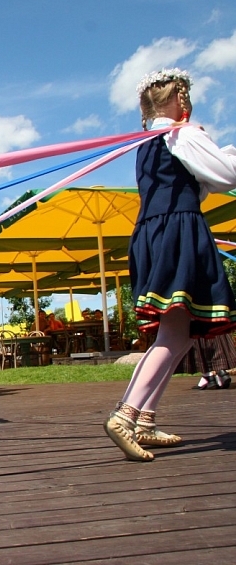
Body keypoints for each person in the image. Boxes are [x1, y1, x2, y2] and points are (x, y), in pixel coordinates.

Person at [104, 68, 236, 462]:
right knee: (173, 334)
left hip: (152, 231)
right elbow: (226, 176)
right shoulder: (183, 134)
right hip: (179, 229)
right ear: (179, 99)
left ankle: (144, 418)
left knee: (177, 335)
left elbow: (204, 179)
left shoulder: (150, 142)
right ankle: (124, 415)